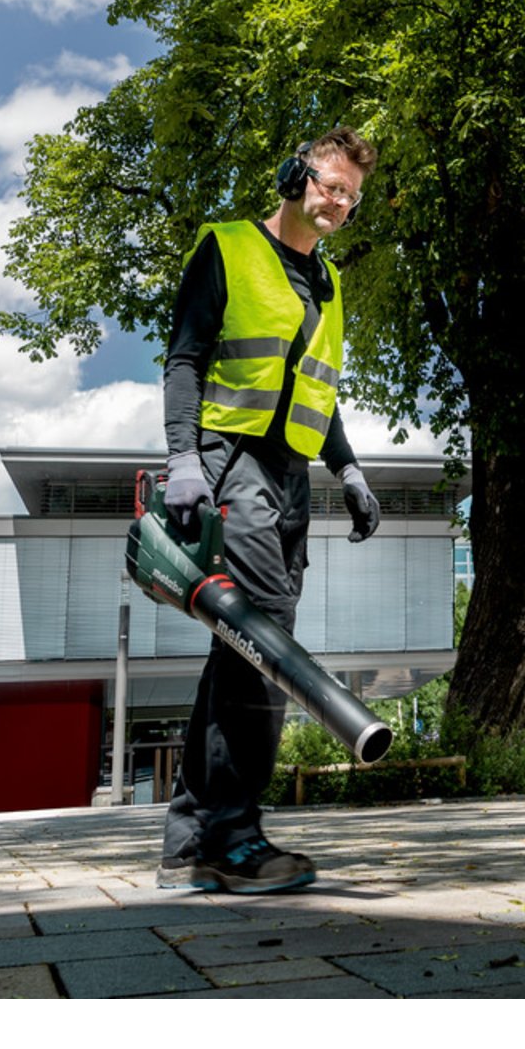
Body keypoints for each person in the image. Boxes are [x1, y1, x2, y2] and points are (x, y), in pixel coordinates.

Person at [154, 125, 381, 893]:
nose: (339, 203)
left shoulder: (328, 282)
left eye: (352, 195)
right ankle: (234, 837)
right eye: (329, 184)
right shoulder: (228, 247)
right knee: (263, 644)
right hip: (230, 458)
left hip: (289, 475)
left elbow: (314, 388)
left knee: (238, 647)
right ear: (294, 176)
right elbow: (185, 357)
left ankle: (190, 844)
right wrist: (184, 458)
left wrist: (346, 468)